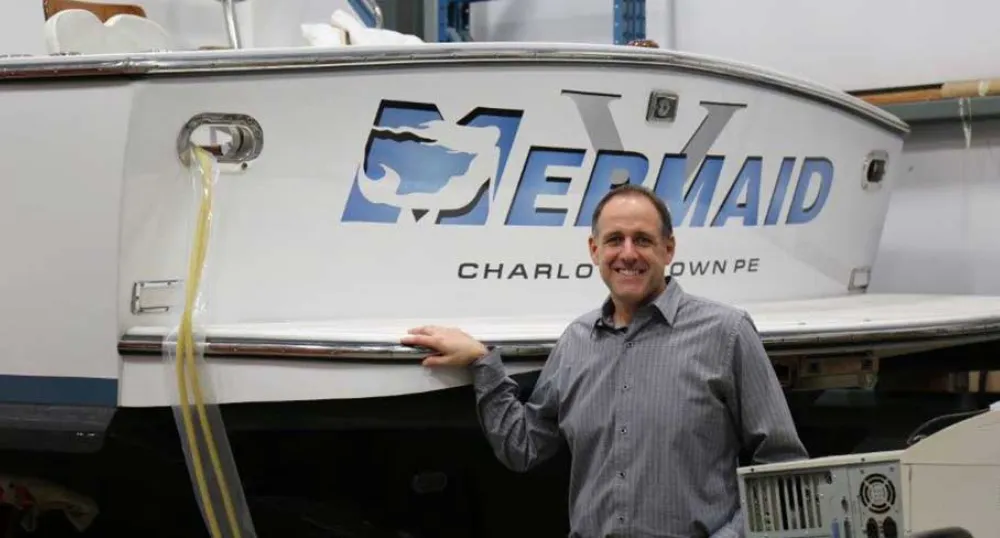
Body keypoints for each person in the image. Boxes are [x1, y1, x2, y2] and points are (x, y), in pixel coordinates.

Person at [401, 184, 808, 538]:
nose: (627, 253)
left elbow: (785, 467)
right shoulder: (576, 342)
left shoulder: (727, 333)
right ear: (594, 250)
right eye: (614, 239)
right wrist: (482, 362)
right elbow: (523, 448)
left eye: (643, 240)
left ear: (668, 249)